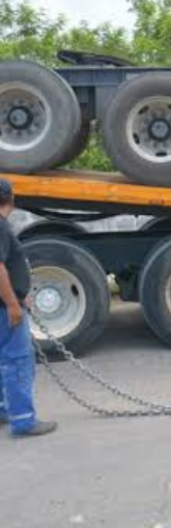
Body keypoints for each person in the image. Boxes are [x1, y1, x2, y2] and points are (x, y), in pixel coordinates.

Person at [0, 178, 57, 437]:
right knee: (17, 362)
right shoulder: (0, 226)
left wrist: (18, 295)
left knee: (5, 360)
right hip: (4, 309)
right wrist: (12, 303)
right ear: (11, 198)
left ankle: (3, 410)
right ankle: (23, 421)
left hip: (6, 303)